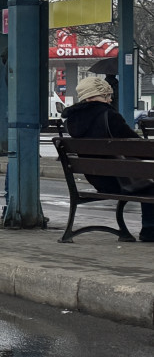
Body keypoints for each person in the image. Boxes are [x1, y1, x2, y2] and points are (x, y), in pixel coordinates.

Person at [62, 76, 154, 241]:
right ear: (90, 97)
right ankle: (149, 230)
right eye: (105, 96)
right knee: (150, 185)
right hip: (118, 181)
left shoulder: (71, 121)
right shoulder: (109, 115)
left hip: (98, 179)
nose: (110, 99)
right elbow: (137, 147)